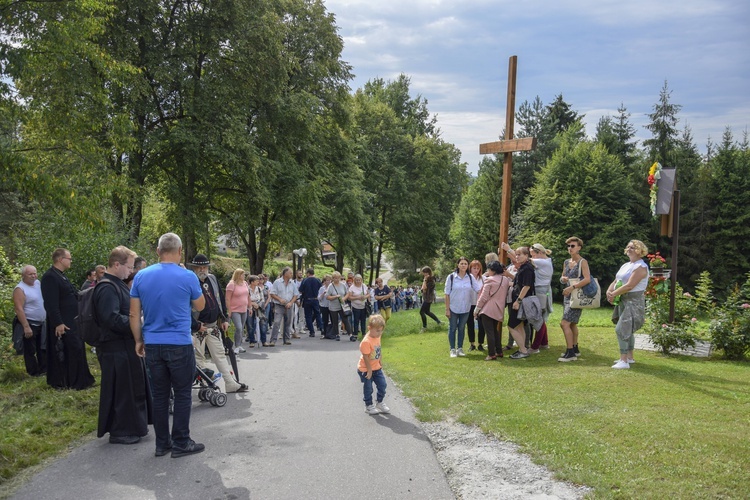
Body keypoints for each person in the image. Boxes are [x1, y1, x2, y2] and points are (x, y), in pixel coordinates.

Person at [130, 233, 205, 458]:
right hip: (179, 343)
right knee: (182, 393)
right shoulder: (188, 276)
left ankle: (162, 444)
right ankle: (181, 441)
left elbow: (134, 313)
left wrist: (138, 340)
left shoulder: (141, 276)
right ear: (180, 251)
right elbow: (200, 305)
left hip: (153, 343)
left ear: (157, 251)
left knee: (160, 395)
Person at [94, 246, 152, 445]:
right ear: (116, 264)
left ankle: (133, 427)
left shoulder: (116, 284)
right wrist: (136, 323)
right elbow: (110, 318)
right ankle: (121, 431)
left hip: (124, 346)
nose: (131, 271)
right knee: (121, 391)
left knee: (130, 388)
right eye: (128, 267)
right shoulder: (106, 288)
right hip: (115, 348)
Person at [189, 255, 248, 392]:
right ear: (194, 268)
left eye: (205, 267)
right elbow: (185, 307)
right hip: (197, 327)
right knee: (199, 358)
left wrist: (224, 319)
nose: (203, 269)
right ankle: (205, 385)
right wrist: (195, 325)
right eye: (199, 267)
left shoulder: (212, 278)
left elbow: (219, 299)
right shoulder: (190, 281)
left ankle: (230, 383)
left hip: (213, 324)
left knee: (220, 354)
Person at [41, 248, 95, 390]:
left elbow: (72, 295)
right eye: (69, 258)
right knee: (68, 351)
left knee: (76, 349)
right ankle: (68, 381)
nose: (71, 261)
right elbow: (51, 304)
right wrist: (58, 323)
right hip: (63, 322)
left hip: (72, 320)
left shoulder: (61, 275)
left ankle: (81, 379)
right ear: (60, 259)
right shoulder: (49, 277)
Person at [606, 240, 649, 369]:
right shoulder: (626, 265)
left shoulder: (641, 267)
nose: (629, 249)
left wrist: (613, 294)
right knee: (627, 330)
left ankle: (623, 361)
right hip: (623, 300)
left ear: (640, 251)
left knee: (622, 329)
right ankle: (630, 358)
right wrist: (609, 291)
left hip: (633, 302)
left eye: (633, 247)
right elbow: (616, 280)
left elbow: (630, 285)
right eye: (628, 246)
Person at [504, 246, 548, 360]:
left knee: (511, 326)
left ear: (527, 256)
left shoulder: (527, 268)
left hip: (522, 301)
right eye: (516, 254)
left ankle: (523, 350)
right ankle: (522, 349)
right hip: (520, 300)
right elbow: (519, 283)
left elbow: (527, 286)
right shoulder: (523, 267)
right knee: (519, 326)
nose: (517, 256)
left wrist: (518, 301)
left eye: (520, 254)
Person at [559, 236, 592, 362]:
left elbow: (587, 279)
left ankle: (570, 353)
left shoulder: (583, 262)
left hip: (576, 296)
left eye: (572, 246)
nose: (570, 248)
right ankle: (575, 348)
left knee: (564, 323)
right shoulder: (566, 262)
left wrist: (572, 286)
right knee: (571, 323)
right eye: (568, 246)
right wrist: (563, 279)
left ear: (579, 248)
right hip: (568, 296)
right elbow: (562, 276)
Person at [444, 257, 482, 358]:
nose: (463, 265)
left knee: (461, 328)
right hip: (453, 307)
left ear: (467, 265)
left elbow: (478, 290)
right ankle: (452, 349)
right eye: (461, 263)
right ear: (458, 265)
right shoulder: (451, 277)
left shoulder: (470, 277)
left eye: (465, 264)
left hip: (465, 308)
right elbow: (447, 294)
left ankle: (460, 348)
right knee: (452, 328)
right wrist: (447, 309)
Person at [13, 265, 47, 376]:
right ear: (23, 276)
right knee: (30, 350)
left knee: (42, 347)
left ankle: (44, 369)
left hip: (41, 322)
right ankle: (33, 372)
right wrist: (26, 326)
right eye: (30, 274)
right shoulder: (20, 289)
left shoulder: (38, 283)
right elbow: (19, 309)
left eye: (35, 273)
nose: (33, 276)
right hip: (29, 322)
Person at [474, 261, 510, 360]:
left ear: (492, 270)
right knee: (495, 331)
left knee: (489, 332)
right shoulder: (505, 280)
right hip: (499, 309)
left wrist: (476, 309)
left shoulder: (489, 280)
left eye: (488, 269)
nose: (487, 271)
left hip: (488, 309)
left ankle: (491, 354)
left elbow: (483, 297)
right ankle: (499, 351)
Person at [357, 314, 390, 415]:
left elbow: (378, 349)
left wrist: (380, 360)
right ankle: (368, 405)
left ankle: (379, 402)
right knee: (368, 388)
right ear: (369, 328)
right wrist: (369, 370)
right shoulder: (366, 342)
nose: (380, 333)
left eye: (381, 330)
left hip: (377, 368)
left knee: (382, 385)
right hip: (366, 369)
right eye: (377, 330)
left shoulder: (377, 336)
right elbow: (366, 357)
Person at [528, 243, 554, 352]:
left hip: (541, 291)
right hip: (543, 291)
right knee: (541, 317)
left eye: (533, 255)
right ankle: (544, 343)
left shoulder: (542, 262)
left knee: (539, 319)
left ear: (539, 253)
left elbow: (522, 260)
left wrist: (508, 250)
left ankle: (535, 346)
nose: (532, 257)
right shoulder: (546, 261)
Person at [269, 267, 300, 346]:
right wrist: (279, 299)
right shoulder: (277, 282)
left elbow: (296, 295)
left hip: (289, 305)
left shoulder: (292, 283)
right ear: (285, 274)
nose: (291, 274)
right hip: (279, 305)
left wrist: (291, 303)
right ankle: (273, 340)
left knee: (288, 322)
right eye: (290, 273)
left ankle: (286, 339)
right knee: (276, 322)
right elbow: (272, 293)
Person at [225, 268, 250, 353]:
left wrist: (249, 307)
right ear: (238, 275)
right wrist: (229, 310)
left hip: (244, 309)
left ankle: (239, 345)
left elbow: (248, 296)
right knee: (238, 327)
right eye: (242, 274)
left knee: (242, 328)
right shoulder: (231, 284)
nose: (244, 276)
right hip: (235, 309)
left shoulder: (245, 283)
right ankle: (236, 346)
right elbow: (227, 298)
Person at [326, 271, 353, 341]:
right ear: (333, 278)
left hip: (342, 305)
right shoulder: (330, 286)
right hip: (333, 306)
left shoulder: (343, 285)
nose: (337, 279)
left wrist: (344, 298)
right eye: (335, 278)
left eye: (338, 278)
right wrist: (335, 297)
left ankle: (350, 335)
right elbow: (327, 297)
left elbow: (347, 293)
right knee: (335, 321)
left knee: (345, 320)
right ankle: (337, 334)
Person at [298, 268, 324, 337]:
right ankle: (321, 329)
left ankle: (311, 331)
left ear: (308, 273)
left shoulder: (304, 281)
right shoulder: (318, 280)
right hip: (315, 299)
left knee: (308, 316)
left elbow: (300, 290)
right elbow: (321, 289)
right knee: (317, 314)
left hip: (307, 300)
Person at [467, 260, 486, 352]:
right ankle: (472, 343)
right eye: (474, 268)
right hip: (469, 304)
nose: (476, 270)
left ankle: (480, 343)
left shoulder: (483, 279)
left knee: (482, 325)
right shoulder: (467, 278)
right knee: (470, 324)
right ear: (470, 268)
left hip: (480, 305)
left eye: (478, 268)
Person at [246, 275, 268, 347]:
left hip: (259, 308)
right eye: (256, 281)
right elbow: (245, 299)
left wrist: (258, 305)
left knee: (262, 324)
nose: (258, 282)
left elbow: (262, 299)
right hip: (250, 308)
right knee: (250, 324)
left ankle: (264, 341)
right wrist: (252, 303)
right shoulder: (247, 289)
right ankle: (252, 341)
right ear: (252, 282)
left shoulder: (259, 289)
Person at [419, 266, 441, 331]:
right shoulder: (427, 279)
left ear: (427, 272)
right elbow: (422, 289)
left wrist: (424, 280)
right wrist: (424, 280)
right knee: (427, 311)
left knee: (422, 312)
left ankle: (424, 327)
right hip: (426, 297)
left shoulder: (431, 280)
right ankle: (438, 321)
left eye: (424, 273)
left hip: (428, 298)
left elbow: (424, 288)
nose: (423, 274)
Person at [349, 274, 369, 342]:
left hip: (363, 306)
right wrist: (357, 297)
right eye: (357, 280)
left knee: (363, 320)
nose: (358, 281)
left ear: (361, 280)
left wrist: (364, 297)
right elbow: (350, 297)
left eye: (359, 280)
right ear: (354, 280)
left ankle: (364, 334)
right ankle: (355, 334)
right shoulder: (352, 287)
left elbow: (368, 294)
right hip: (355, 306)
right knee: (356, 320)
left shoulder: (364, 286)